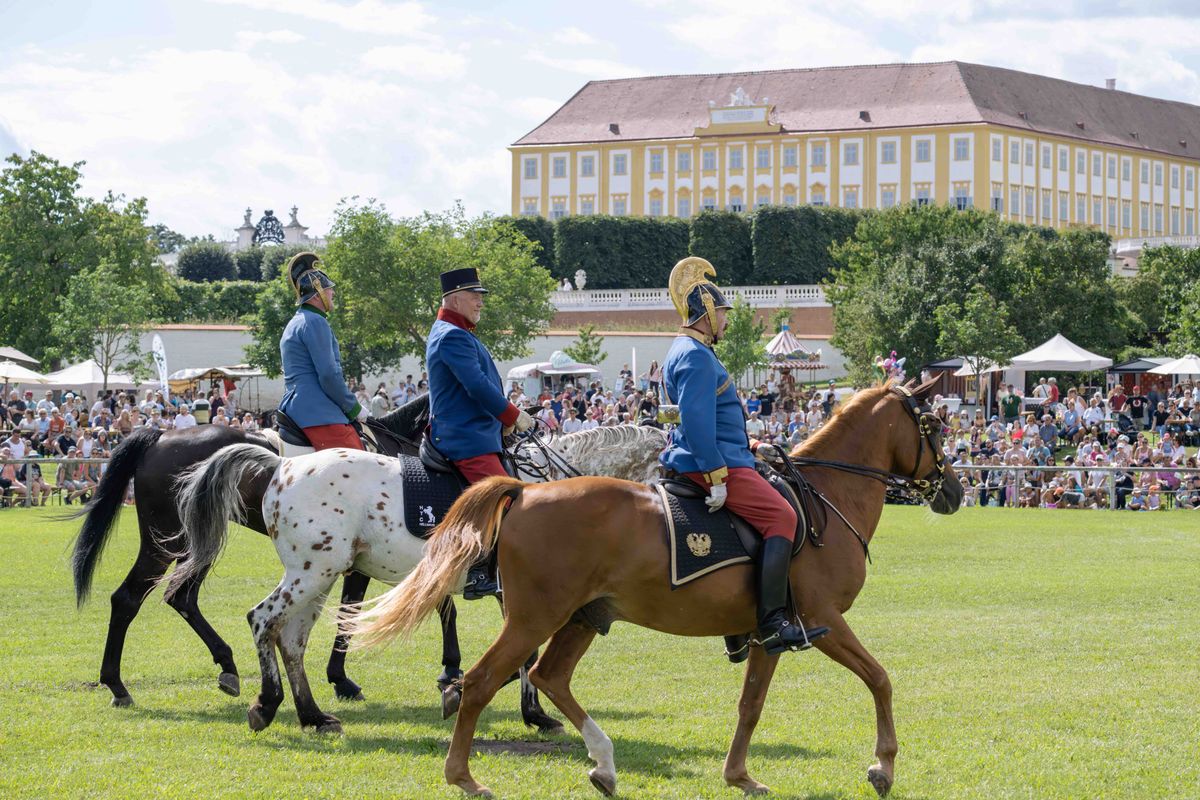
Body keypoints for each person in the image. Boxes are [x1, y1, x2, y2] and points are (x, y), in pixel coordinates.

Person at [658, 256, 827, 655]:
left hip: (727, 455)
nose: (726, 322)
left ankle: (737, 622)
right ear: (705, 313)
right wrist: (717, 475)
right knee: (782, 516)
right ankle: (770, 622)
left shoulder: (687, 350)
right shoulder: (696, 356)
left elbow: (709, 420)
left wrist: (751, 447)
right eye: (722, 313)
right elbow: (698, 425)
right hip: (714, 465)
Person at [426, 266, 534, 599]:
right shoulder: (452, 335)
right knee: (508, 498)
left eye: (481, 296)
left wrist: (503, 423)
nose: (480, 302)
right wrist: (513, 416)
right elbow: (476, 385)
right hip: (465, 438)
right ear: (455, 298)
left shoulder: (457, 331)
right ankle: (478, 569)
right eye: (475, 296)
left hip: (476, 432)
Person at [278, 252, 367, 450]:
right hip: (316, 410)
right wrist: (354, 407)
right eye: (328, 289)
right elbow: (328, 375)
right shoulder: (315, 322)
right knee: (361, 465)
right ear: (317, 293)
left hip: (298, 406)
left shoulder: (296, 322)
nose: (332, 293)